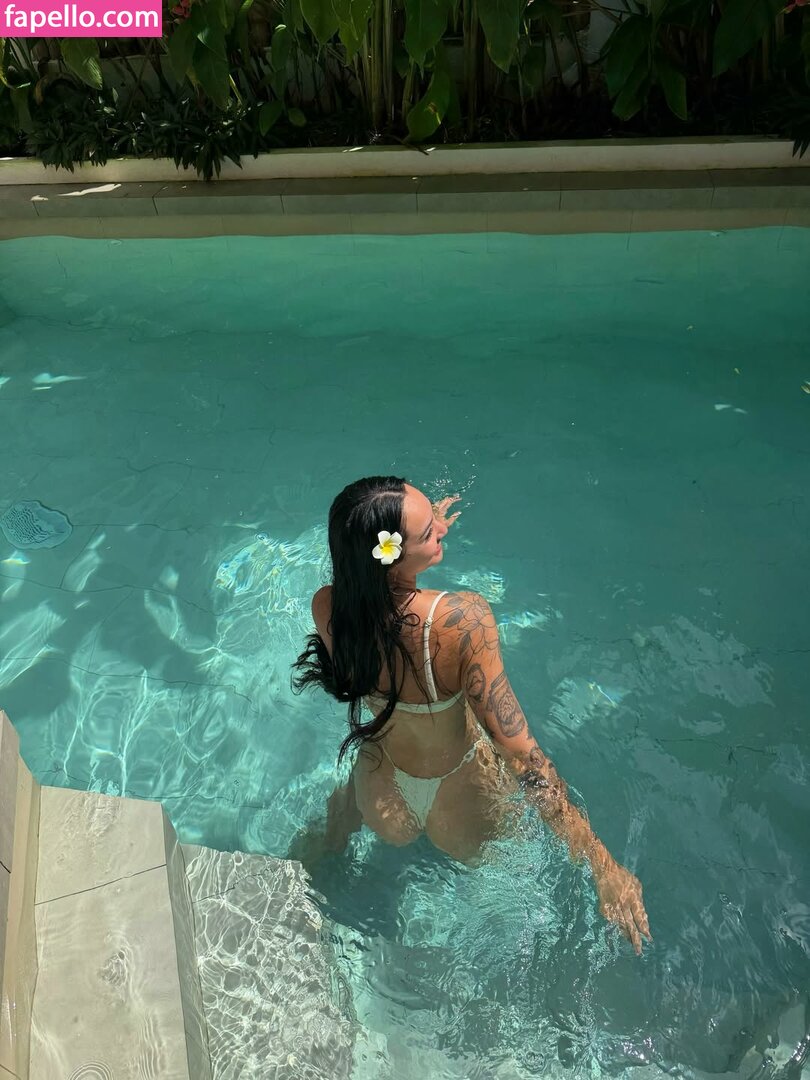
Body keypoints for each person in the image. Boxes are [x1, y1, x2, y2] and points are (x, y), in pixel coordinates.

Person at [291, 476, 652, 955]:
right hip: (460, 807)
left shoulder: (328, 607)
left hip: (381, 797)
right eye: (429, 532)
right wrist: (604, 866)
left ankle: (317, 856)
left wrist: (420, 535)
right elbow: (521, 756)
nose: (441, 530)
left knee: (343, 818)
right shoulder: (463, 620)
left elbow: (379, 596)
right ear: (392, 555)